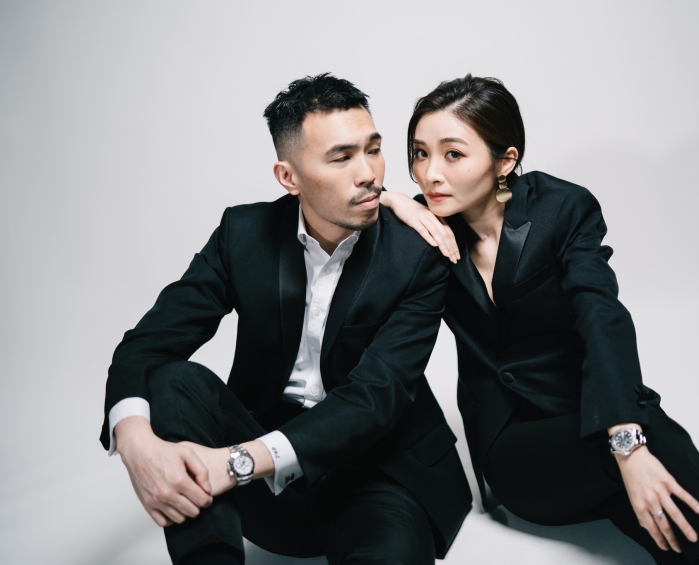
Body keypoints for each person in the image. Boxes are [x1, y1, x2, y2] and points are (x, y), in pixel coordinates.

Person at [380, 75, 699, 564]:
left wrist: (626, 441)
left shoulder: (561, 209)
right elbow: (331, 197)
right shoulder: (419, 227)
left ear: (505, 161)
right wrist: (389, 200)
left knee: (653, 493)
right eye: (419, 154)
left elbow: (601, 315)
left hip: (583, 409)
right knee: (644, 446)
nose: (429, 175)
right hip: (513, 444)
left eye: (453, 154)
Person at [100, 74, 472, 565]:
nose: (369, 173)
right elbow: (148, 344)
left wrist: (235, 463)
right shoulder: (243, 235)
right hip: (270, 486)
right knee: (173, 381)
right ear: (288, 177)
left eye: (374, 150)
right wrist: (134, 442)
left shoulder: (416, 253)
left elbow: (376, 397)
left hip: (378, 475)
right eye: (341, 157)